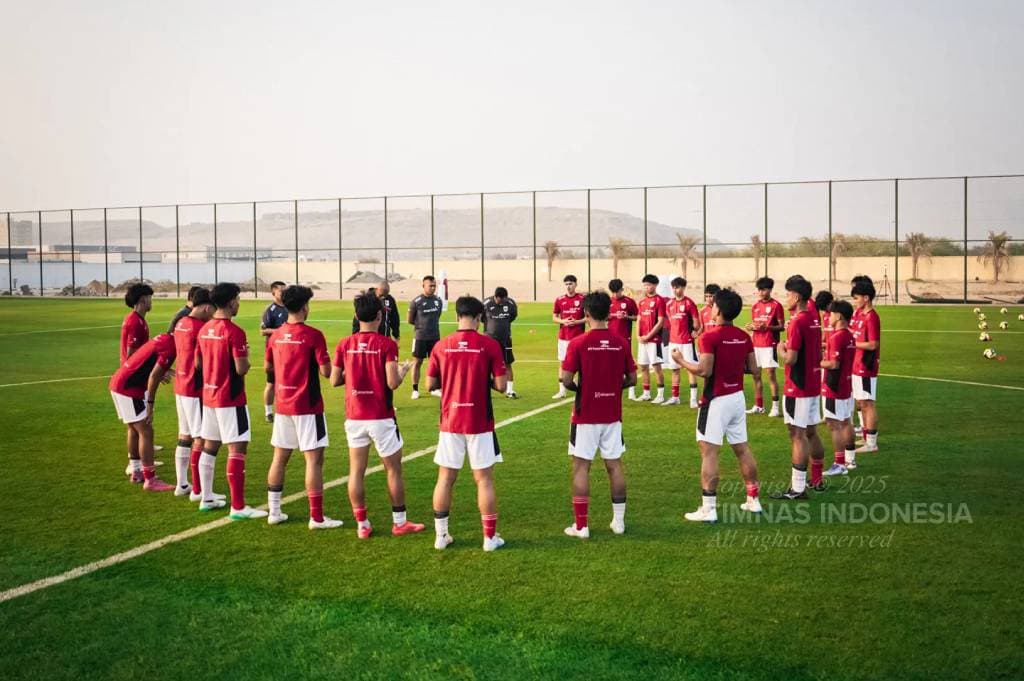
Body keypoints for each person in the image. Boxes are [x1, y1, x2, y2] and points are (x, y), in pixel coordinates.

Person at [332, 292, 425, 539]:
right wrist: (404, 370)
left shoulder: (344, 344)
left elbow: (334, 380)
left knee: (356, 471)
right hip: (380, 416)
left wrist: (353, 374)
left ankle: (362, 524)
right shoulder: (386, 344)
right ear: (380, 314)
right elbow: (392, 383)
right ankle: (399, 522)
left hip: (354, 415)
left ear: (356, 315)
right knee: (393, 470)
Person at [427, 296, 508, 552]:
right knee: (484, 479)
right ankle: (489, 539)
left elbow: (430, 385)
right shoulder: (489, 345)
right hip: (479, 422)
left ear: (457, 316)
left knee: (445, 478)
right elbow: (502, 386)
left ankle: (441, 536)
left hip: (450, 421)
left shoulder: (441, 346)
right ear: (480, 317)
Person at [675, 288, 762, 522]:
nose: (711, 308)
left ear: (719, 310)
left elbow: (704, 370)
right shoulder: (744, 336)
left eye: (713, 305)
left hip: (716, 400)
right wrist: (732, 367)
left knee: (709, 452)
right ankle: (753, 500)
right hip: (737, 398)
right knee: (742, 448)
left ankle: (708, 508)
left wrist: (681, 360)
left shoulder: (709, 337)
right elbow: (754, 369)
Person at [263, 285, 344, 529]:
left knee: (279, 457)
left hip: (282, 405)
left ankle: (274, 512)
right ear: (305, 306)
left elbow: (268, 367)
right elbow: (326, 371)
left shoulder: (276, 335)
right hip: (307, 406)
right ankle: (316, 518)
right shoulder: (313, 335)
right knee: (314, 461)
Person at [560, 291, 637, 538]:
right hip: (612, 414)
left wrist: (579, 389)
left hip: (585, 415)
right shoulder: (621, 342)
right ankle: (620, 522)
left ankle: (581, 526)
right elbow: (632, 378)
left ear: (586, 313)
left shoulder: (578, 343)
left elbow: (566, 378)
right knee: (615, 466)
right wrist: (614, 388)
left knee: (581, 467)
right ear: (610, 312)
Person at [195, 282, 267, 519]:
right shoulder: (234, 332)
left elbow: (197, 364)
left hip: (209, 397)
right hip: (230, 398)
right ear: (231, 301)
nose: (239, 303)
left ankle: (206, 498)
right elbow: (242, 368)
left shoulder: (204, 329)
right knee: (237, 448)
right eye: (238, 299)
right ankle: (238, 507)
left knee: (210, 446)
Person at [771, 275, 827, 500]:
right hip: (813, 383)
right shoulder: (814, 318)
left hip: (798, 385)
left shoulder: (796, 321)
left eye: (787, 294)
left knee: (797, 434)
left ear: (796, 296)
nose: (786, 298)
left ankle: (798, 488)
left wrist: (780, 348)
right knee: (811, 432)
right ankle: (817, 479)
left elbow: (791, 358)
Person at [171, 287, 223, 501]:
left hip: (180, 386)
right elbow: (201, 363)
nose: (212, 313)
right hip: (194, 387)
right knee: (200, 438)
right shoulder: (200, 328)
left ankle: (182, 484)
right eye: (210, 309)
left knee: (184, 436)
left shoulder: (180, 323)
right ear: (204, 307)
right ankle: (198, 491)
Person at [109, 332, 177, 492]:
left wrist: (161, 371)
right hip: (129, 389)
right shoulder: (171, 346)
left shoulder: (164, 339)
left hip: (120, 383)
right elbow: (154, 375)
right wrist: (150, 404)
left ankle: (136, 471)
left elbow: (146, 362)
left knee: (134, 428)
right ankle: (150, 479)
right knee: (146, 431)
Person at [120, 282, 154, 481]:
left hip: (133, 381)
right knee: (144, 429)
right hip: (132, 382)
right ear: (143, 299)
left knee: (135, 426)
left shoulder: (138, 320)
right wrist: (155, 370)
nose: (152, 301)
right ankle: (140, 471)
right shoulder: (135, 322)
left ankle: (135, 467)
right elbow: (133, 356)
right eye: (150, 297)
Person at [821, 300, 858, 476]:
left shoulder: (837, 337)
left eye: (831, 313)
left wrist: (817, 362)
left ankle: (839, 463)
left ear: (839, 316)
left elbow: (834, 364)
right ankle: (850, 459)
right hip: (846, 384)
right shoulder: (849, 336)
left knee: (833, 424)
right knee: (846, 421)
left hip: (833, 386)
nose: (828, 317)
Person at [745, 277, 785, 417]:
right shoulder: (755, 306)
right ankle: (759, 405)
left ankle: (775, 407)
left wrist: (767, 327)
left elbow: (781, 327)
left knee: (771, 375)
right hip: (756, 344)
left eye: (764, 289)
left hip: (769, 345)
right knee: (756, 375)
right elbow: (756, 325)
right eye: (759, 290)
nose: (761, 292)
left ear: (770, 290)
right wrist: (751, 327)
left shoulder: (776, 306)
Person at [661, 277, 702, 408]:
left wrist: (695, 329)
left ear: (683, 288)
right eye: (673, 287)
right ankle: (675, 397)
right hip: (673, 341)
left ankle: (693, 399)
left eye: (678, 287)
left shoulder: (690, 303)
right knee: (674, 369)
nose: (675, 289)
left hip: (686, 342)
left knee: (690, 369)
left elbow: (697, 324)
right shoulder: (669, 304)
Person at [851, 278, 881, 453]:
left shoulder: (872, 317)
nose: (855, 301)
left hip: (866, 365)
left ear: (866, 298)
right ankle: (865, 438)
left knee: (868, 403)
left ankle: (872, 443)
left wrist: (852, 344)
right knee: (861, 402)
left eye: (857, 298)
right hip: (856, 364)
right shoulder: (860, 315)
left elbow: (873, 344)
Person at [408, 275, 443, 399]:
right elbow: (410, 320)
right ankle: (415, 390)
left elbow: (437, 316)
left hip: (435, 337)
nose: (433, 288)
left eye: (434, 286)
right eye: (430, 286)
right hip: (420, 337)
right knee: (417, 362)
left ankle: (435, 388)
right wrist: (422, 327)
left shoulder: (438, 301)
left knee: (436, 363)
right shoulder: (416, 302)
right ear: (423, 286)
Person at [633, 274, 667, 403]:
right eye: (645, 285)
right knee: (643, 366)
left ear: (655, 285)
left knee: (656, 367)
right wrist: (638, 336)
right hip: (643, 340)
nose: (646, 287)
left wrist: (648, 336)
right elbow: (639, 319)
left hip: (654, 340)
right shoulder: (641, 301)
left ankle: (660, 395)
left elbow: (660, 321)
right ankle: (646, 393)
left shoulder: (660, 300)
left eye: (649, 285)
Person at [551, 274, 585, 399]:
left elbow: (587, 318)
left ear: (576, 284)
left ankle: (580, 387)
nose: (568, 286)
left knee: (581, 363)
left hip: (578, 338)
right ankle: (562, 390)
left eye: (571, 283)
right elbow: (554, 317)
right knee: (562, 362)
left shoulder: (582, 299)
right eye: (566, 284)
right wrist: (563, 321)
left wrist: (576, 322)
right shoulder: (559, 300)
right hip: (563, 337)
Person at [484, 287, 520, 399]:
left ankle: (510, 390)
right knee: (485, 365)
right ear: (495, 296)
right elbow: (481, 318)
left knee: (508, 363)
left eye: (504, 299)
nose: (502, 301)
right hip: (489, 339)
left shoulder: (510, 303)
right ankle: (483, 389)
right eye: (500, 299)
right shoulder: (486, 304)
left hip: (505, 339)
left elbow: (513, 316)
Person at [260, 281, 288, 422]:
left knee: (287, 381)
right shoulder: (270, 310)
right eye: (281, 290)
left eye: (285, 290)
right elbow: (263, 330)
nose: (283, 292)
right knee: (271, 383)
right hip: (274, 352)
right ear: (273, 293)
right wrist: (280, 331)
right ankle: (268, 412)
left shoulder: (290, 307)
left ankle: (285, 409)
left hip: (288, 351)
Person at [607, 279, 640, 399]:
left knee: (627, 363)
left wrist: (627, 317)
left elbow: (637, 317)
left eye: (617, 292)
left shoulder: (629, 302)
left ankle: (631, 392)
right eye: (613, 292)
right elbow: (601, 318)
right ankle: (613, 388)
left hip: (625, 338)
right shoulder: (608, 302)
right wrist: (608, 317)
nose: (615, 295)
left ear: (622, 289)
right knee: (612, 364)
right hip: (610, 338)